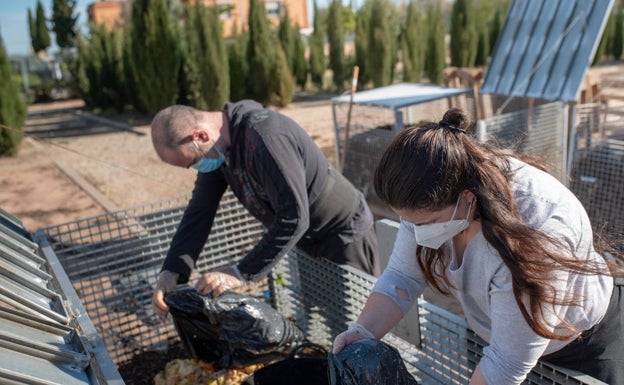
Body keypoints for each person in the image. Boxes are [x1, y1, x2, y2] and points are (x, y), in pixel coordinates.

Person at [332, 107, 624, 384]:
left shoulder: (531, 238)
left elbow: (506, 363)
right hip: (500, 339)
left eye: (425, 223)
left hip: (580, 344)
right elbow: (403, 277)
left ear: (468, 199)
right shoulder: (432, 197)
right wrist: (364, 330)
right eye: (409, 222)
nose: (416, 234)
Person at [150, 100, 380, 321]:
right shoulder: (219, 151)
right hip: (307, 243)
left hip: (344, 234)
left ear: (201, 136)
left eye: (193, 162)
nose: (197, 168)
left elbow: (294, 217)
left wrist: (239, 272)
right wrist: (172, 271)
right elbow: (199, 213)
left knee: (358, 323)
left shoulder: (266, 138)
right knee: (324, 318)